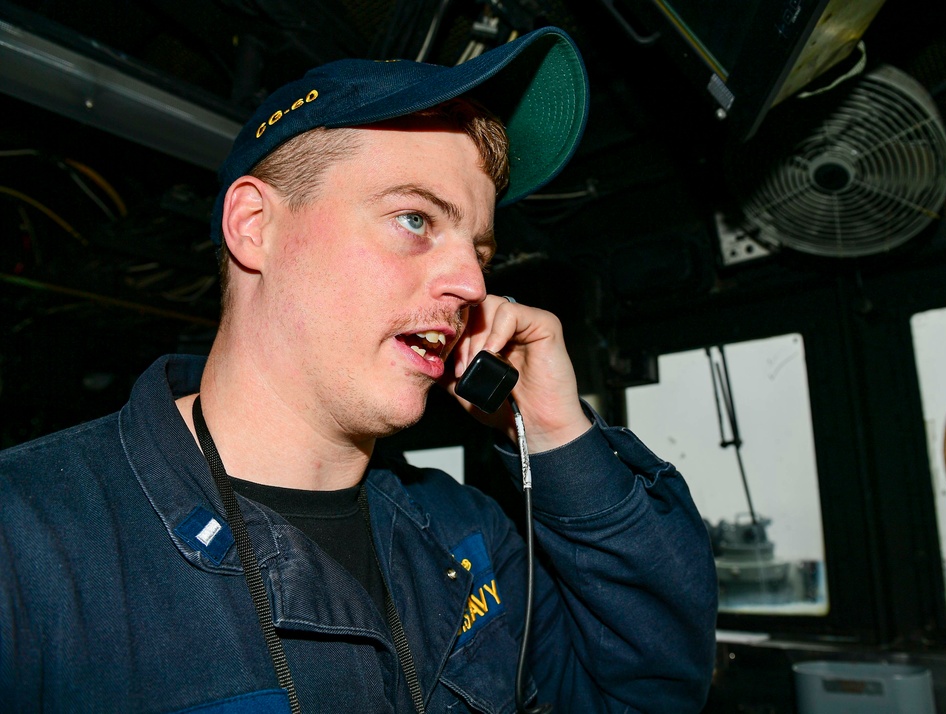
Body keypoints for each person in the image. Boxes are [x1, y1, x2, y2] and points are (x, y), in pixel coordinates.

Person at [0, 26, 717, 714]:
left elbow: (642, 696)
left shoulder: (467, 532)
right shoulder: (27, 542)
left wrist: (559, 433)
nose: (471, 283)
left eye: (481, 250)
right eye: (415, 219)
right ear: (255, 226)